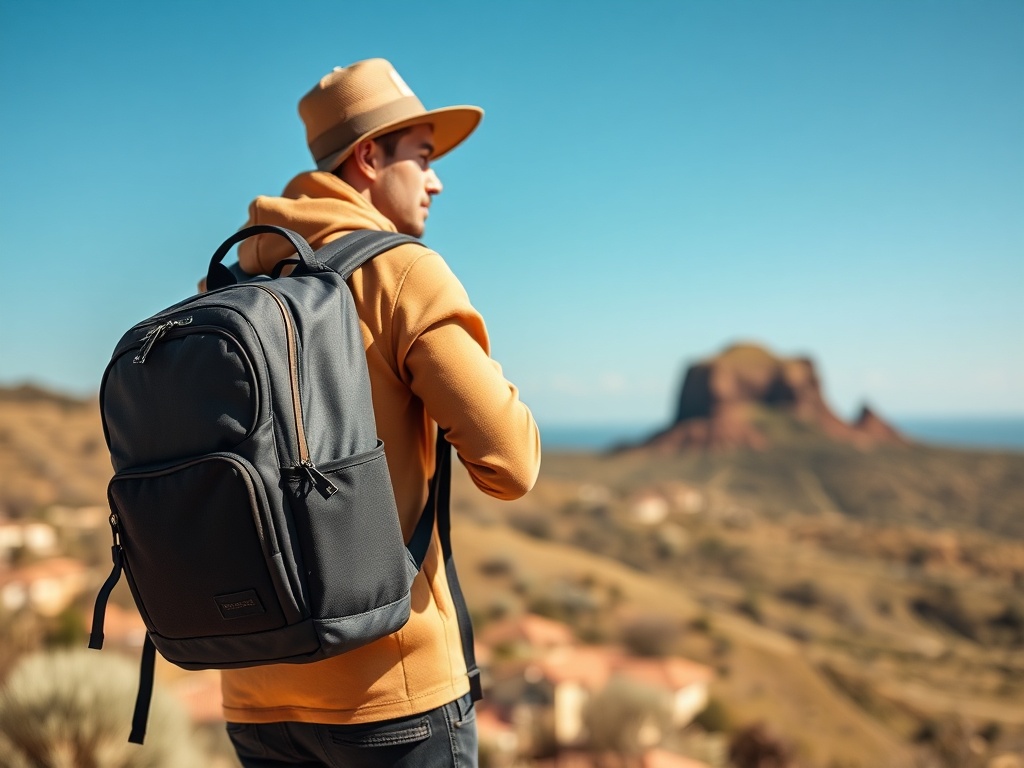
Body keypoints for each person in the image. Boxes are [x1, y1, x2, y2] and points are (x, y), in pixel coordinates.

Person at [219, 58, 541, 767]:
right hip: (389, 697)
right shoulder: (399, 271)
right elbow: (511, 463)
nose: (436, 179)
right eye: (422, 157)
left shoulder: (229, 282)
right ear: (368, 158)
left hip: (255, 693)